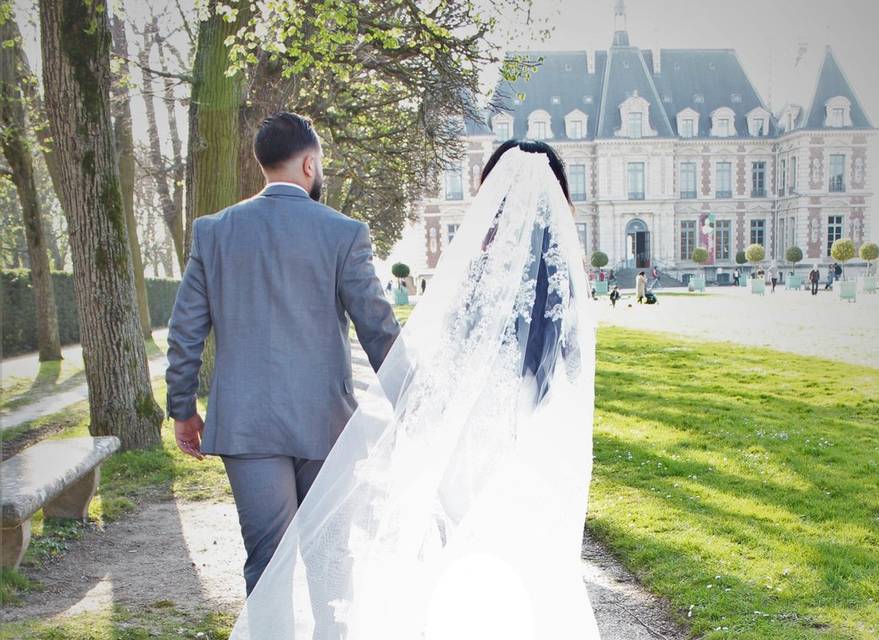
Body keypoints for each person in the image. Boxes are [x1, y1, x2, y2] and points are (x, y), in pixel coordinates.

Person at [227, 140, 601, 639]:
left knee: (464, 563)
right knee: (526, 565)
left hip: (470, 441)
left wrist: (418, 428)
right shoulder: (567, 282)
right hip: (533, 443)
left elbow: (444, 360)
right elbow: (572, 371)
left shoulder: (473, 272)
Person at [166, 113, 401, 599]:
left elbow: (186, 330)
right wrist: (411, 402)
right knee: (330, 557)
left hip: (246, 425)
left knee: (266, 562)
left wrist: (183, 409)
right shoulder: (344, 233)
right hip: (325, 423)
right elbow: (379, 328)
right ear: (310, 164)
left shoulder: (214, 231)